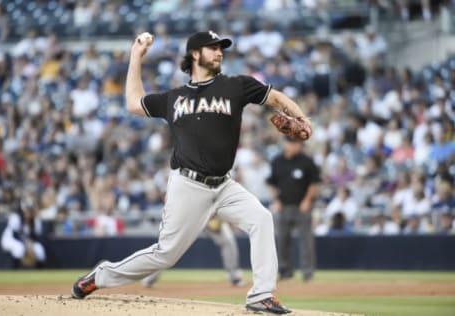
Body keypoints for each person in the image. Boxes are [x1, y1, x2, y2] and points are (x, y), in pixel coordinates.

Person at [71, 30, 312, 315]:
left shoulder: (237, 86)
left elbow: (276, 98)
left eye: (221, 48)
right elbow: (133, 103)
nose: (220, 52)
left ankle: (261, 294)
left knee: (261, 218)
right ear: (195, 54)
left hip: (224, 185)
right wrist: (135, 57)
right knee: (165, 255)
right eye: (213, 48)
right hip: (188, 185)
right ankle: (101, 276)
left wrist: (302, 118)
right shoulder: (174, 97)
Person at [267, 138, 320, 282]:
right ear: (286, 144)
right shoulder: (277, 161)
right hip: (283, 206)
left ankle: (307, 273)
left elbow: (314, 183)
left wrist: (307, 200)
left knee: (306, 241)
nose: (295, 146)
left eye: (297, 144)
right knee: (282, 240)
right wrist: (276, 200)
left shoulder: (307, 161)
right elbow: (271, 183)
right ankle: (285, 272)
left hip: (302, 207)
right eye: (292, 143)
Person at [142, 216, 245, 288]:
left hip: (211, 216)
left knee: (228, 241)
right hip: (191, 216)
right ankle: (151, 277)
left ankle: (234, 277)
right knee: (173, 247)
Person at [0, 198, 47, 268]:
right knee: (19, 248)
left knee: (40, 249)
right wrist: (26, 243)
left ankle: (40, 274)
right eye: (27, 210)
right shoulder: (16, 217)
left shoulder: (36, 221)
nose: (28, 213)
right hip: (9, 239)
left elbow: (37, 236)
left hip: (27, 242)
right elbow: (14, 234)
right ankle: (14, 272)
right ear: (23, 210)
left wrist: (30, 244)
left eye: (30, 210)